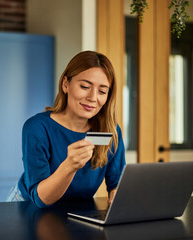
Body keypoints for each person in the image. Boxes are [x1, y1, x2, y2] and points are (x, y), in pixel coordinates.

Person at [7, 51, 126, 208]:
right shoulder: (37, 128)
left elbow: (116, 180)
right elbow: (41, 199)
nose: (92, 97)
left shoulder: (110, 131)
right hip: (29, 207)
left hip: (76, 209)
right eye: (84, 86)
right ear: (65, 84)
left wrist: (117, 194)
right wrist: (69, 166)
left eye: (102, 91)